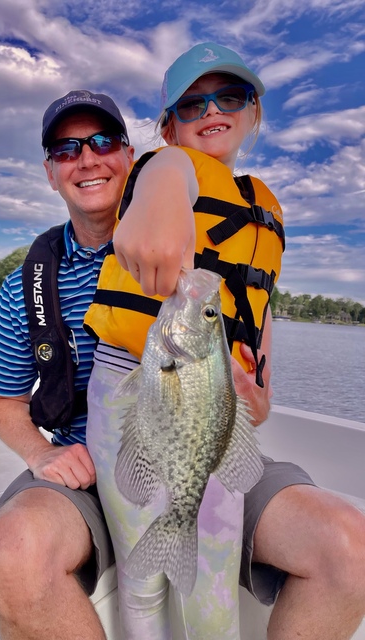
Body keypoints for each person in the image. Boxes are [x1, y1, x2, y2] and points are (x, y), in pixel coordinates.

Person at [83, 42, 365, 639]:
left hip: (212, 397)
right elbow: (167, 176)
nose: (212, 110)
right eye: (192, 104)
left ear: (253, 110)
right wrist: (157, 191)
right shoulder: (161, 170)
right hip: (130, 383)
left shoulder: (265, 206)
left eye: (230, 96)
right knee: (141, 576)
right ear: (169, 126)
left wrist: (262, 389)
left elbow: (255, 315)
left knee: (209, 577)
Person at [0, 90, 134, 640]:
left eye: (103, 141)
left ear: (129, 155)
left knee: (345, 546)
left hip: (187, 464)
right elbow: (5, 401)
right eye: (67, 149)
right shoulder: (23, 287)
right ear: (50, 173)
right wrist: (41, 452)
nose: (87, 158)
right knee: (15, 551)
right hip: (85, 474)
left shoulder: (190, 256)